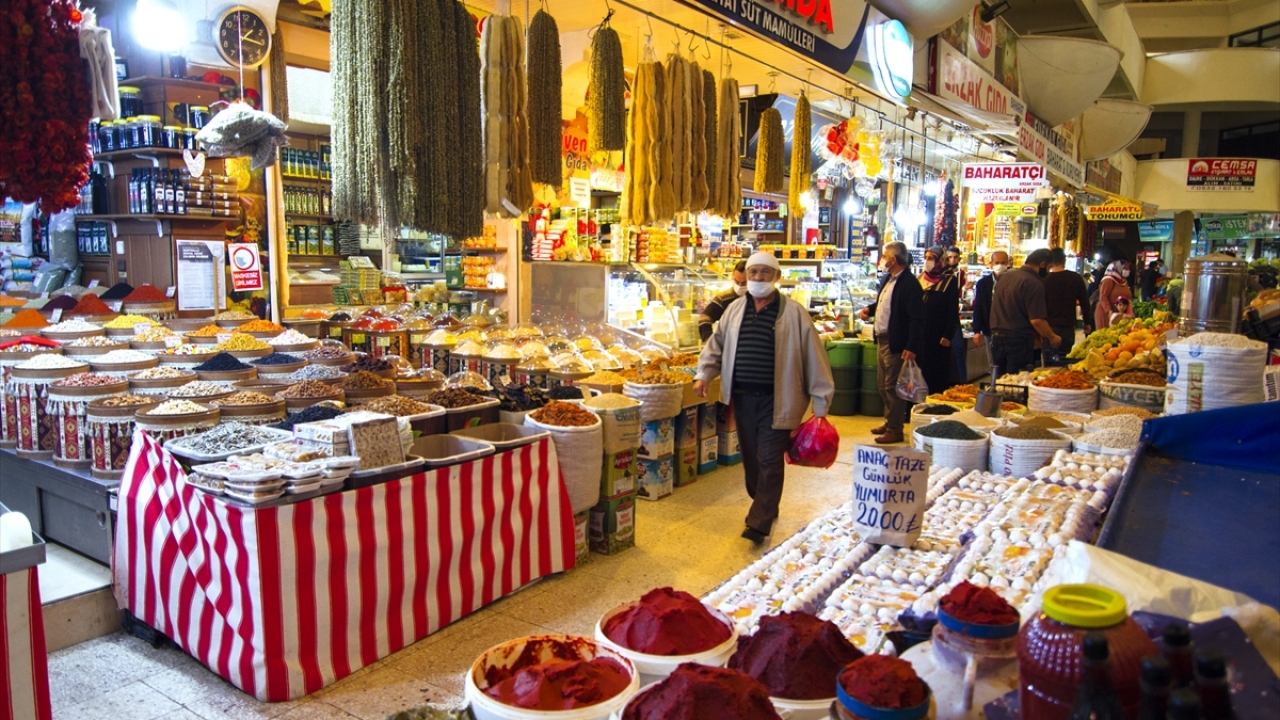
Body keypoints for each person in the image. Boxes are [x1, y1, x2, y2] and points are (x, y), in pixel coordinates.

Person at [694, 252, 834, 545]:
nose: (758, 277)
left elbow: (815, 357)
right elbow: (716, 345)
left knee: (769, 459)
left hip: (779, 399)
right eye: (753, 272)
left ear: (776, 277)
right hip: (742, 399)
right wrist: (703, 375)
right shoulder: (733, 310)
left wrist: (821, 403)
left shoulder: (794, 313)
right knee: (752, 462)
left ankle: (758, 523)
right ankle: (766, 502)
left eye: (764, 272)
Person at [858, 242, 925, 444]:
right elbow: (885, 303)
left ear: (893, 260)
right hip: (882, 339)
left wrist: (912, 346)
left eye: (884, 256)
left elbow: (917, 318)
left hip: (896, 342)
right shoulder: (889, 278)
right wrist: (870, 309)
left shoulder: (909, 284)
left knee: (893, 387)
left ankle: (895, 429)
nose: (882, 260)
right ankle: (889, 421)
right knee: (882, 385)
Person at [989, 248, 1061, 377]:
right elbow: (1037, 320)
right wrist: (1052, 337)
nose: (1049, 272)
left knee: (1000, 380)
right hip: (1019, 342)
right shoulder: (1033, 283)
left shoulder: (1005, 277)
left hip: (997, 339)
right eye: (1049, 268)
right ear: (1042, 264)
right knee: (1016, 382)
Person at [917, 245, 960, 396]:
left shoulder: (949, 280)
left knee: (935, 372)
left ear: (940, 260)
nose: (927, 261)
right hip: (920, 334)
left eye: (931, 258)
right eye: (926, 258)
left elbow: (952, 310)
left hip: (938, 336)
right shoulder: (920, 279)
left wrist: (948, 334)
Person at [1042, 247, 1093, 358]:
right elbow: (1085, 302)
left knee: (1048, 360)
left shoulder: (1044, 280)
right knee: (1064, 359)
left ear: (1050, 262)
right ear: (1064, 260)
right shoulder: (1075, 278)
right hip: (1067, 328)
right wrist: (1087, 322)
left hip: (1048, 328)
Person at [698, 261, 747, 342]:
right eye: (737, 281)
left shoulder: (759, 300)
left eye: (744, 283)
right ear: (733, 276)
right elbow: (704, 318)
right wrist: (709, 341)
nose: (740, 286)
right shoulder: (723, 298)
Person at [970, 250, 1009, 348]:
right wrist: (977, 330)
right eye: (997, 263)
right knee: (991, 356)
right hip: (989, 327)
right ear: (991, 264)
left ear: (1007, 263)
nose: (1000, 265)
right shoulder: (983, 283)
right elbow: (978, 306)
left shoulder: (1014, 281)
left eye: (1003, 263)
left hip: (1009, 328)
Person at [945, 246, 969, 384]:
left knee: (959, 348)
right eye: (950, 257)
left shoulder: (962, 275)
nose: (952, 260)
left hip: (953, 315)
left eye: (955, 257)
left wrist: (966, 290)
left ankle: (963, 381)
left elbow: (965, 297)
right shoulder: (942, 275)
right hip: (945, 315)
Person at [1094, 260, 1133, 330]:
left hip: (1119, 313)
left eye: (1128, 268)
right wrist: (1109, 312)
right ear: (1118, 268)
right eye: (1125, 268)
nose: (1127, 270)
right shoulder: (1108, 280)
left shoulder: (1123, 281)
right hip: (1106, 313)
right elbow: (1103, 297)